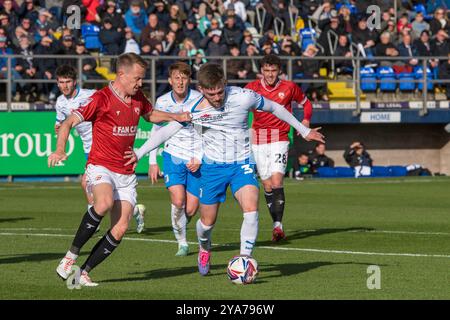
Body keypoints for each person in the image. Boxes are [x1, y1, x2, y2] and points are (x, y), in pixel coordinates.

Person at [125, 63, 324, 277]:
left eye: (220, 91)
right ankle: (204, 248)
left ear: (225, 84)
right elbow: (165, 132)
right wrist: (140, 152)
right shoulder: (193, 110)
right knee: (206, 223)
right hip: (212, 169)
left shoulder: (243, 96)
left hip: (242, 164)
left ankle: (244, 261)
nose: (218, 98)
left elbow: (275, 107)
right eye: (212, 94)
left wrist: (303, 130)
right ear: (201, 90)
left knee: (251, 210)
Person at [49, 53, 191, 287]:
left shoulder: (137, 98)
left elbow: (150, 115)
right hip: (101, 165)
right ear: (121, 74)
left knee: (121, 228)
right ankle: (70, 257)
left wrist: (176, 116)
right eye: (137, 78)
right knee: (102, 203)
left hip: (126, 172)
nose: (140, 83)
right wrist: (59, 149)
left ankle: (82, 273)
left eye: (142, 79)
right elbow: (67, 123)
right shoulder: (101, 98)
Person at [54, 64, 146, 234]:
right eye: (61, 82)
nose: (65, 85)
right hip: (87, 146)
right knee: (98, 191)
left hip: (103, 145)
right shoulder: (60, 102)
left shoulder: (91, 95)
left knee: (86, 182)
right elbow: (61, 122)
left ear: (75, 82)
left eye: (68, 81)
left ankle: (93, 219)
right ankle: (134, 210)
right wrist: (59, 128)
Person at [245, 54, 313, 242]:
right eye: (266, 70)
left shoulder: (289, 87)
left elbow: (306, 103)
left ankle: (278, 226)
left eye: (273, 70)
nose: (270, 74)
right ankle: (275, 222)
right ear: (261, 71)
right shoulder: (251, 88)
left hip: (280, 138)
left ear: (279, 71)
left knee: (276, 182)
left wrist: (305, 119)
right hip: (258, 140)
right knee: (267, 185)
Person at [148, 62, 203, 256]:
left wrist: (200, 156)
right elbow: (156, 131)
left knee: (191, 208)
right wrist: (152, 161)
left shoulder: (199, 99)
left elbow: (207, 130)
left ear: (189, 80)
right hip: (173, 155)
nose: (180, 82)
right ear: (170, 81)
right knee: (179, 200)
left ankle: (179, 224)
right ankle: (182, 242)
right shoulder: (162, 102)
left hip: (196, 158)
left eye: (184, 78)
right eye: (176, 78)